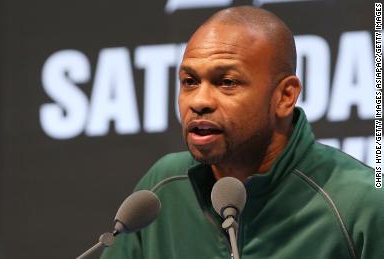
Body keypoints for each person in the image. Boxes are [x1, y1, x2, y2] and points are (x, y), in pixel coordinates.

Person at [101, 6, 383, 259]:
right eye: (189, 81)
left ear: (285, 96)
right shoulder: (163, 188)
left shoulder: (362, 204)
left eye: (226, 82)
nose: (199, 101)